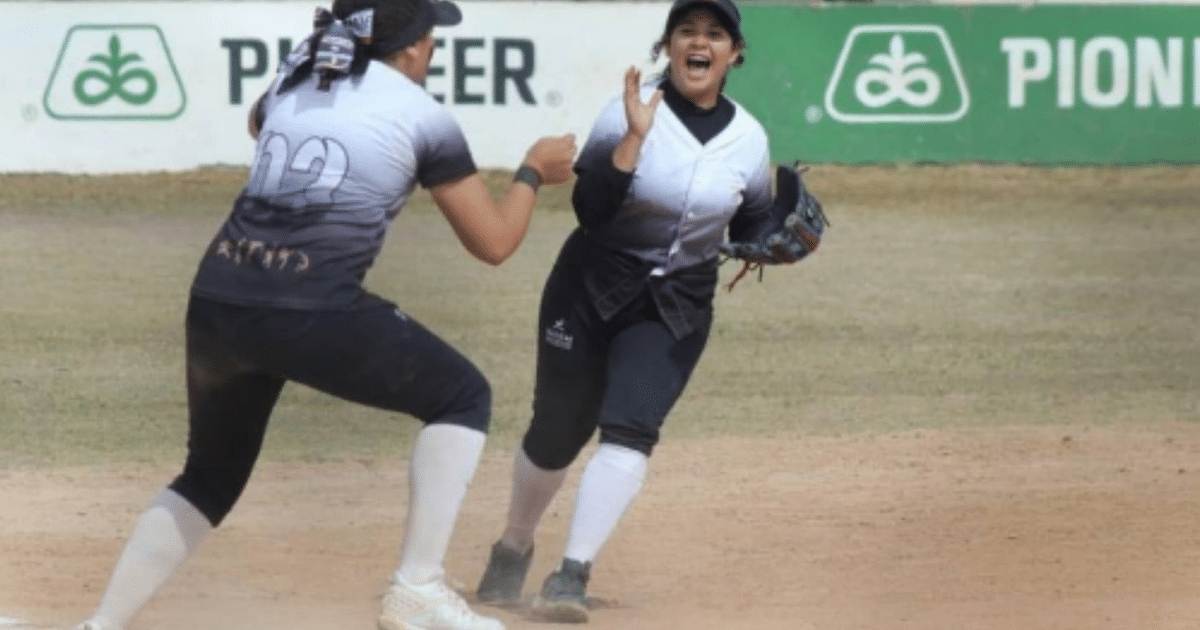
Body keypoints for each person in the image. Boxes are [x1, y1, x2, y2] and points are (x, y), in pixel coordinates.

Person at [70, 0, 575, 629]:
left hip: (219, 300)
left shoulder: (298, 82)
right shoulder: (423, 116)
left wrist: (315, 61)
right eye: (431, 37)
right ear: (415, 46)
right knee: (462, 396)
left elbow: (260, 124)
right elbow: (494, 243)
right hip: (306, 308)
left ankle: (100, 627)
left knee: (209, 475)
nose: (434, 49)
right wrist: (532, 170)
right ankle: (417, 588)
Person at [474, 0, 783, 623]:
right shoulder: (627, 111)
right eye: (686, 31)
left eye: (714, 33)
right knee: (557, 433)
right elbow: (590, 210)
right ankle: (513, 545)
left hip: (675, 304)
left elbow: (752, 223)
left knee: (631, 429)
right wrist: (635, 140)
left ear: (735, 53)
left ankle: (572, 574)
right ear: (668, 46)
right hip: (590, 286)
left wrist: (774, 244)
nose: (699, 42)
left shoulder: (748, 138)